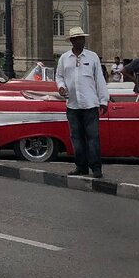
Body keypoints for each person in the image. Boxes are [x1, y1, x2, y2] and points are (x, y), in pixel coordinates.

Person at [55, 27, 109, 179]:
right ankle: (81, 166)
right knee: (76, 138)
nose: (81, 41)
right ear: (72, 41)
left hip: (90, 104)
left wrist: (103, 100)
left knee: (93, 138)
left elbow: (99, 79)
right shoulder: (64, 58)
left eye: (82, 38)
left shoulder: (92, 57)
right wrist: (61, 87)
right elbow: (59, 77)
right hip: (72, 104)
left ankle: (96, 168)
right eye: (78, 38)